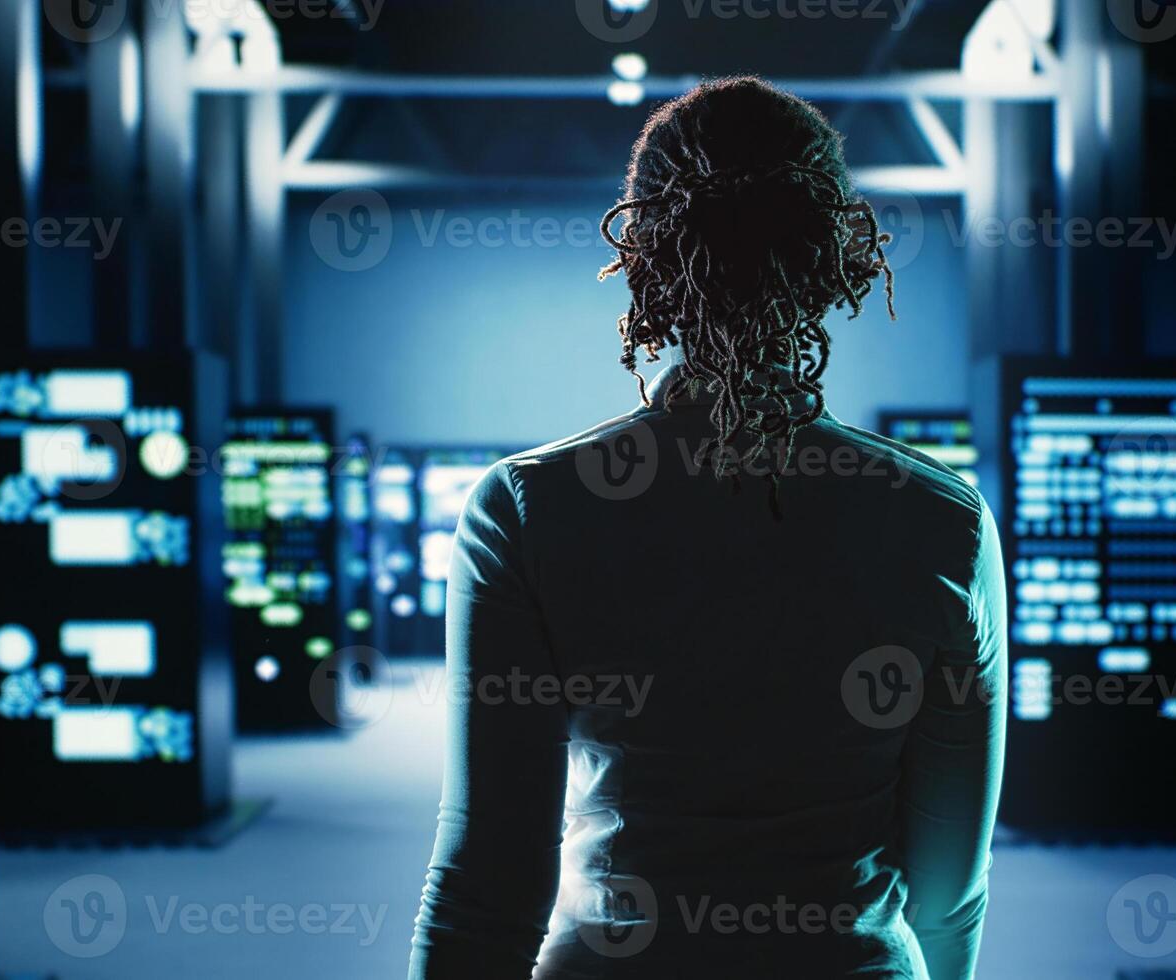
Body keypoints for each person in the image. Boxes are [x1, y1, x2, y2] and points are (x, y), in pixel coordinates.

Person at [408, 76, 1006, 980]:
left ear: (645, 258)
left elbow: (487, 883)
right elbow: (948, 894)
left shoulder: (526, 508)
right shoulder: (942, 522)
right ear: (833, 258)